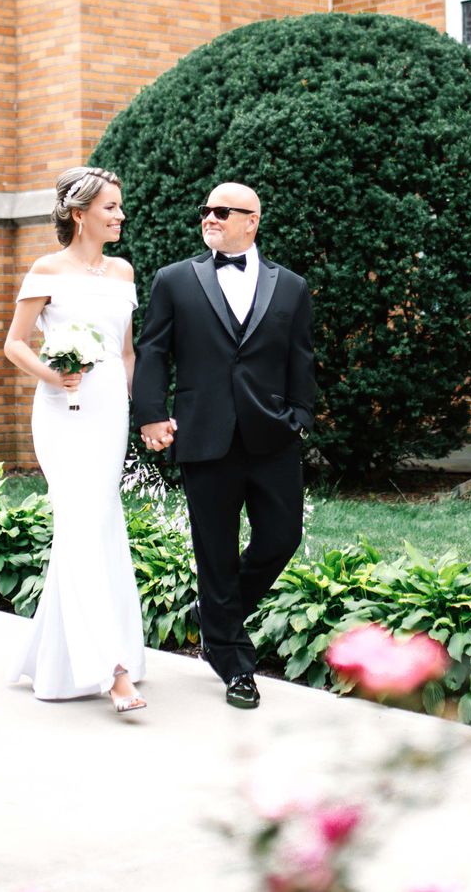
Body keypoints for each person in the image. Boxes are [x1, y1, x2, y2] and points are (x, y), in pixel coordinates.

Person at [132, 181, 316, 709]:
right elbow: (154, 351)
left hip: (272, 436)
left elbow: (299, 358)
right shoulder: (175, 280)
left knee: (281, 537)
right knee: (214, 552)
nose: (209, 217)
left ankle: (215, 617)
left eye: (222, 211)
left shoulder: (291, 287)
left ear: (251, 221)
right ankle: (234, 663)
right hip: (204, 435)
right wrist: (150, 415)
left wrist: (299, 418)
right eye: (205, 211)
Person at [4, 166, 147, 714]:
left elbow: (126, 350)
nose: (120, 215)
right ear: (79, 213)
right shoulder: (46, 269)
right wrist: (52, 375)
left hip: (110, 411)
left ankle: (56, 658)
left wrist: (132, 409)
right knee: (81, 524)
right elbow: (15, 344)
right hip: (62, 411)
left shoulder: (122, 271)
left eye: (120, 205)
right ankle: (113, 669)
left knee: (99, 523)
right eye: (110, 207)